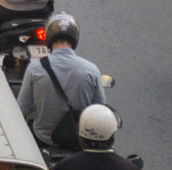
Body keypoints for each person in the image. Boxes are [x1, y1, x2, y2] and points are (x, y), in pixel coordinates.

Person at [16, 12, 105, 151]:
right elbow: (99, 111)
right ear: (75, 37)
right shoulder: (91, 70)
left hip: (43, 139)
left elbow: (22, 109)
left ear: (49, 37)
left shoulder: (35, 68)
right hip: (78, 141)